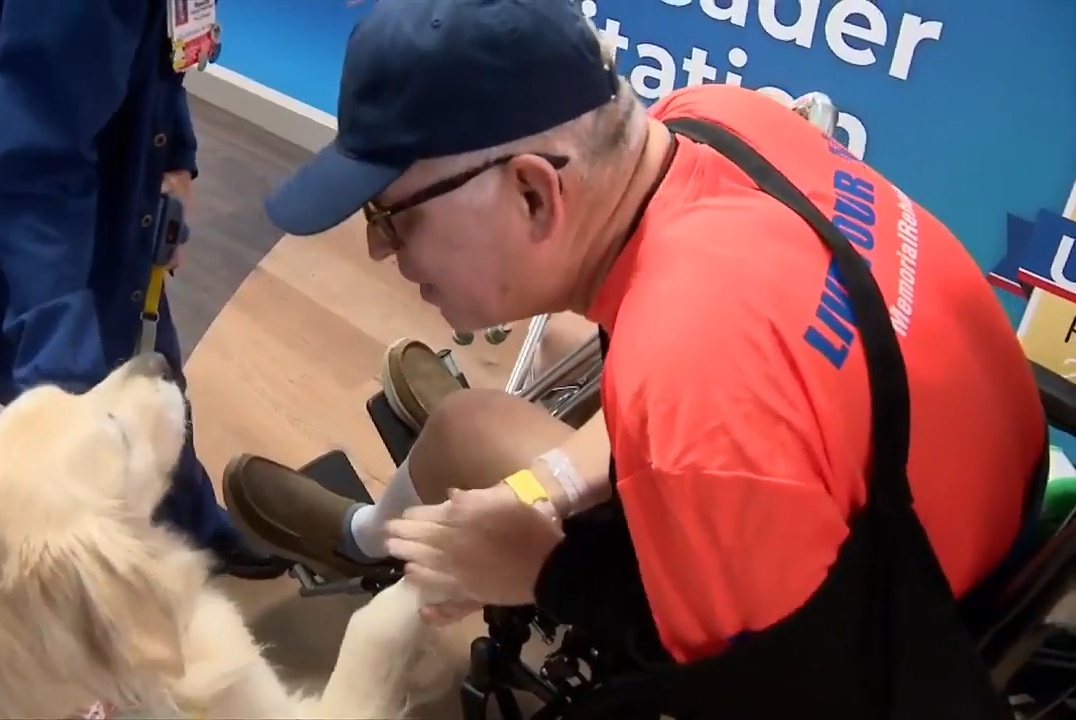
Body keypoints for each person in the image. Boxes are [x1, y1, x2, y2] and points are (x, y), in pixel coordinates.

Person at [220, 0, 1048, 715]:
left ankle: (370, 539)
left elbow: (782, 696)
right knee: (486, 430)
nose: (378, 251)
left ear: (536, 191)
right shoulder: (721, 119)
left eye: (392, 216)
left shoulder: (693, 378)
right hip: (983, 491)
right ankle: (379, 533)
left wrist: (549, 573)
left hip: (905, 611)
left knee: (470, 433)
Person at [0, 0, 288, 579]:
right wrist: (66, 378)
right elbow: (35, 176)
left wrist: (174, 150)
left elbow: (159, 33)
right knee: (87, 401)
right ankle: (98, 575)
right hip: (31, 199)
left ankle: (186, 517)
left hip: (100, 166)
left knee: (148, 367)